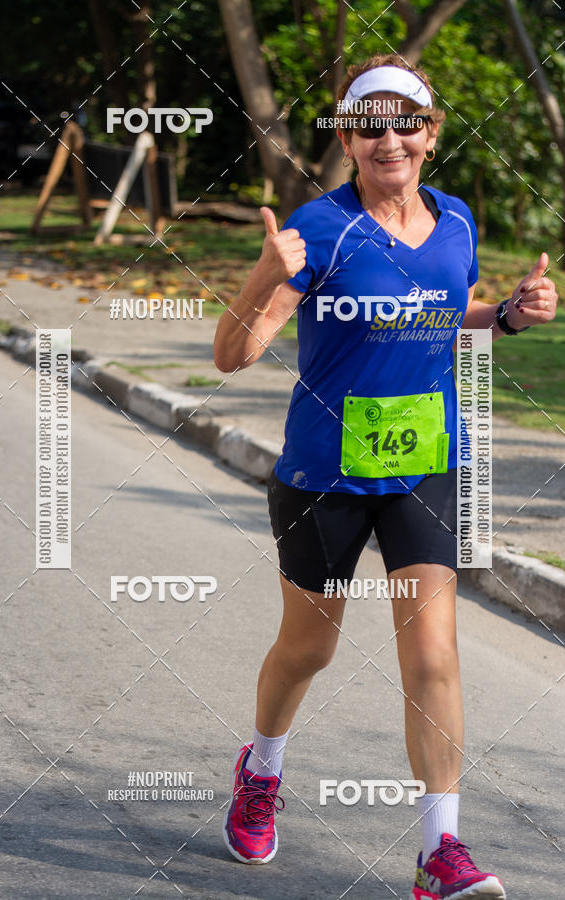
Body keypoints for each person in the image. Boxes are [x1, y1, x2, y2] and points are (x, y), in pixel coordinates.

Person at [213, 53, 558, 900]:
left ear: (431, 136)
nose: (389, 139)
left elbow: (442, 310)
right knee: (309, 648)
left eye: (406, 122)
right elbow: (230, 355)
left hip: (423, 467)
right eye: (370, 126)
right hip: (322, 474)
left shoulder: (456, 222)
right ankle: (260, 768)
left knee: (434, 655)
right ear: (348, 139)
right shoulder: (318, 229)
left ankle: (440, 852)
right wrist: (265, 272)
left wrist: (505, 315)